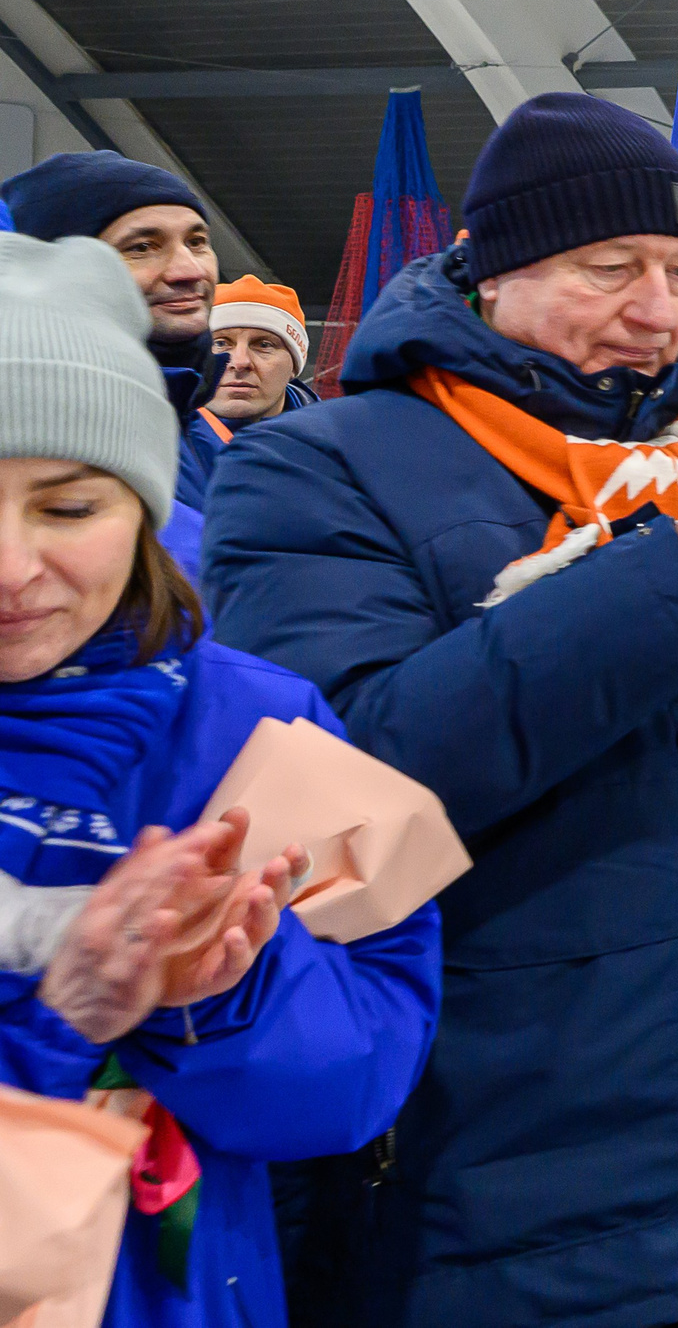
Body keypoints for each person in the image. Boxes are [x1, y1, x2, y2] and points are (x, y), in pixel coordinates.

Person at [202, 93, 678, 1328]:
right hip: (495, 1180)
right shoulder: (320, 466)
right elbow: (343, 798)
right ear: (493, 271)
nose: (657, 309)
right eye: (608, 267)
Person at [0, 230, 440, 1328]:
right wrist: (64, 1020)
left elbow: (369, 1074)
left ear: (145, 511)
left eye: (68, 508)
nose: (14, 569)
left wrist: (224, 998)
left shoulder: (275, 721)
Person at [2, 152, 227, 507]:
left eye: (197, 242)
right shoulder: (32, 431)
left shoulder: (211, 432)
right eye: (142, 247)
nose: (189, 270)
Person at [202, 277, 315, 437]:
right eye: (220, 343)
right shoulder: (158, 446)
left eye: (264, 345)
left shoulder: (338, 445)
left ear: (294, 366)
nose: (240, 362)